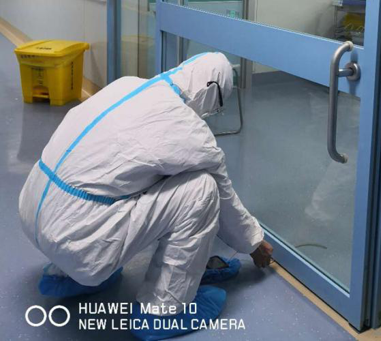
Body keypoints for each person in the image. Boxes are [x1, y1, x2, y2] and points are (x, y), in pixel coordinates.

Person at [19, 52, 273, 339]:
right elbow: (223, 195)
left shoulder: (127, 85)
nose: (211, 112)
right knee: (202, 189)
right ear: (210, 89)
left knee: (113, 178)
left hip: (34, 213)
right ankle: (162, 312)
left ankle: (65, 277)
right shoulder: (185, 126)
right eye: (217, 104)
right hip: (78, 243)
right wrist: (253, 242)